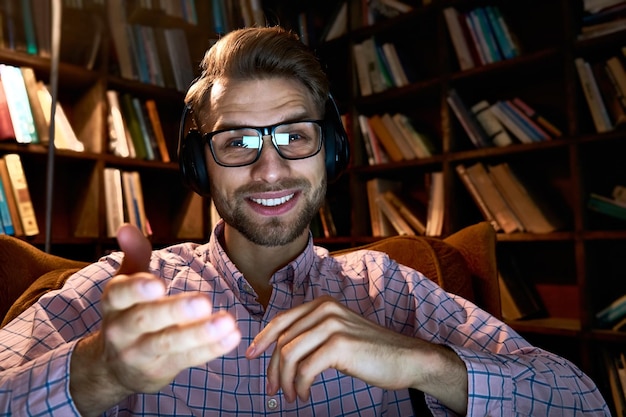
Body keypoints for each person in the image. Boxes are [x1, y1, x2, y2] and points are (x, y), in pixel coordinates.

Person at [0, 26, 610, 417]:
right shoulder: (121, 290)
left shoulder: (390, 287)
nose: (270, 170)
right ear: (198, 165)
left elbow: (582, 404)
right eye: (237, 141)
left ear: (333, 152)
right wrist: (97, 370)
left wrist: (420, 361)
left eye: (295, 135)